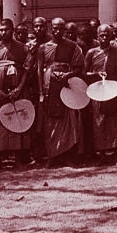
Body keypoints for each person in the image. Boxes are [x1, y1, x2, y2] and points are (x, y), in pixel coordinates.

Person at [35, 18, 84, 165]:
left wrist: (67, 75)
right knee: (50, 120)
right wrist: (41, 92)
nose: (57, 31)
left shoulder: (72, 46)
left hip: (66, 85)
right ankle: (52, 156)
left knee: (68, 119)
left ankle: (66, 155)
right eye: (55, 28)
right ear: (51, 28)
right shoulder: (43, 47)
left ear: (64, 29)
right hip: (49, 86)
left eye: (60, 28)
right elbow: (38, 70)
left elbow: (78, 67)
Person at [0, 19, 32, 166]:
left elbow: (26, 70)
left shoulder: (23, 48)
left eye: (6, 29)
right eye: (1, 30)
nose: (3, 32)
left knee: (17, 120)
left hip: (17, 90)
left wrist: (19, 88)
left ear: (12, 30)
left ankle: (18, 158)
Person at [84, 24, 117, 160]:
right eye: (101, 35)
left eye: (107, 35)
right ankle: (101, 153)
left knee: (113, 121)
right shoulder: (91, 53)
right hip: (97, 90)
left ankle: (114, 152)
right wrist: (96, 74)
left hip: (113, 90)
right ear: (97, 37)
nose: (104, 38)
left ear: (111, 36)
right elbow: (84, 73)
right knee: (99, 121)